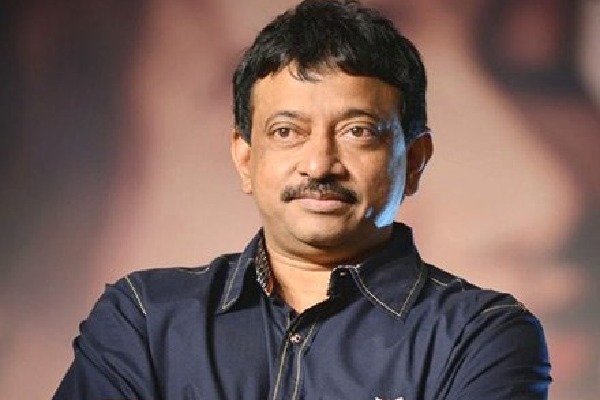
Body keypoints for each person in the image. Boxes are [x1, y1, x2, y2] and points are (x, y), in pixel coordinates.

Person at [54, 0, 551, 399]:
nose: (319, 165)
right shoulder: (144, 318)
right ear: (245, 158)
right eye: (286, 131)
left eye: (357, 131)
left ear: (415, 160)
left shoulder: (480, 336)